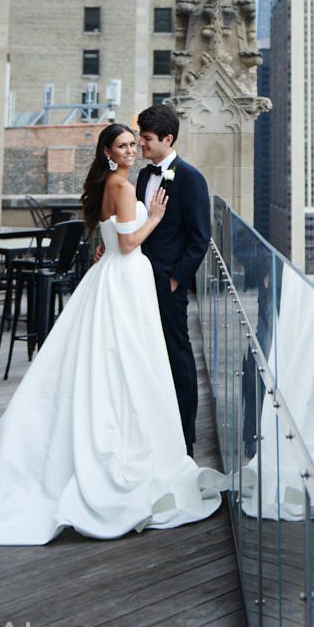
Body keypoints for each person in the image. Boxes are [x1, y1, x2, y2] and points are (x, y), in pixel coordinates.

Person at [0, 123, 223, 544]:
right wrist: (155, 217)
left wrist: (142, 253)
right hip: (126, 277)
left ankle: (136, 436)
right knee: (126, 359)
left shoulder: (120, 181)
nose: (132, 149)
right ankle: (125, 443)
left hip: (122, 279)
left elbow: (127, 234)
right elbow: (129, 243)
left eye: (135, 143)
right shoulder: (127, 185)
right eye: (124, 144)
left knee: (119, 359)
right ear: (109, 151)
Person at [133, 102, 211, 457]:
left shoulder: (191, 178)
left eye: (147, 138)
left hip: (167, 285)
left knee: (177, 356)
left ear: (168, 138)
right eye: (139, 136)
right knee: (145, 355)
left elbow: (200, 237)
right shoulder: (143, 176)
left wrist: (176, 280)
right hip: (136, 280)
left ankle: (185, 439)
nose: (140, 144)